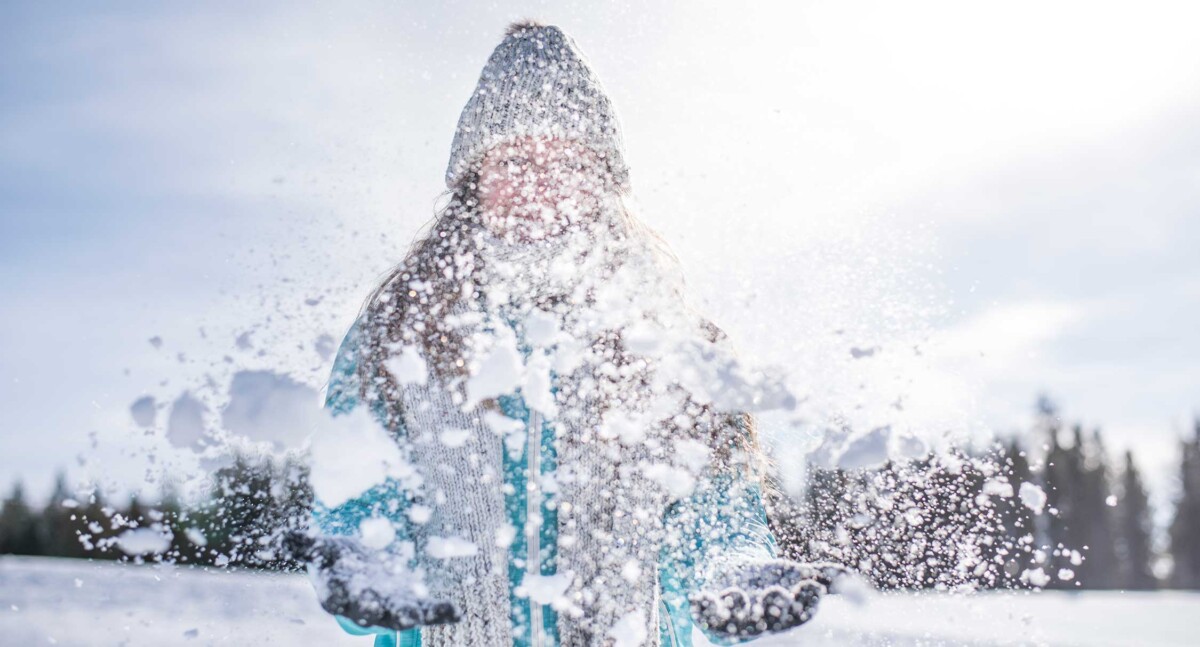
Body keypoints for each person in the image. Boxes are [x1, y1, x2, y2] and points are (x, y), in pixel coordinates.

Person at [297, 20, 842, 647]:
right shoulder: (401, 330)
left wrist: (731, 572)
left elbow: (713, 514)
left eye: (567, 160)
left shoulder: (671, 339)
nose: (539, 182)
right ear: (473, 177)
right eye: (514, 159)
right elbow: (362, 495)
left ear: (605, 180)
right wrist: (367, 561)